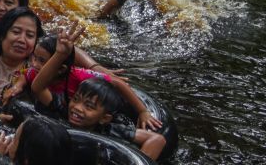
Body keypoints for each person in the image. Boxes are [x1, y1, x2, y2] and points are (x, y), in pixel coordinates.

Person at [29, 23, 165, 135]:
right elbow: (34, 85)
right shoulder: (36, 75)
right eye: (34, 58)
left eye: (42, 61)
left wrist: (143, 111)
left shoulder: (81, 76)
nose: (34, 64)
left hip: (92, 107)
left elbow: (117, 83)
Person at [64, 77, 167, 161]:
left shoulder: (111, 130)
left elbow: (157, 139)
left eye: (89, 106)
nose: (77, 107)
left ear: (104, 118)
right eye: (75, 99)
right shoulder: (61, 111)